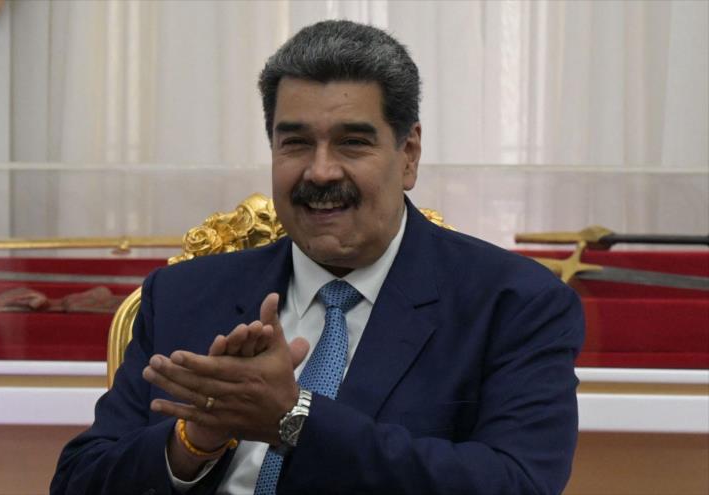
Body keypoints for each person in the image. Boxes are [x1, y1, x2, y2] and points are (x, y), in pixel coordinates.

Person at [51, 19, 584, 495]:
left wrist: (294, 417)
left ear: (409, 155)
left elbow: (517, 482)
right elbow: (79, 480)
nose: (321, 172)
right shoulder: (185, 294)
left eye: (352, 142)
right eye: (296, 144)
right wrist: (196, 439)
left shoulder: (514, 304)